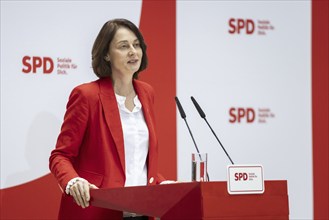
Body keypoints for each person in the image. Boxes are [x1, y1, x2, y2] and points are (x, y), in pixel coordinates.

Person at [49, 18, 166, 220]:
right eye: (123, 46)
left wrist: (164, 185)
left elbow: (137, 160)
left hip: (142, 212)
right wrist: (73, 181)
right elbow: (60, 156)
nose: (133, 51)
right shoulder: (87, 95)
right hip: (98, 210)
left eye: (136, 45)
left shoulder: (147, 93)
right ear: (106, 54)